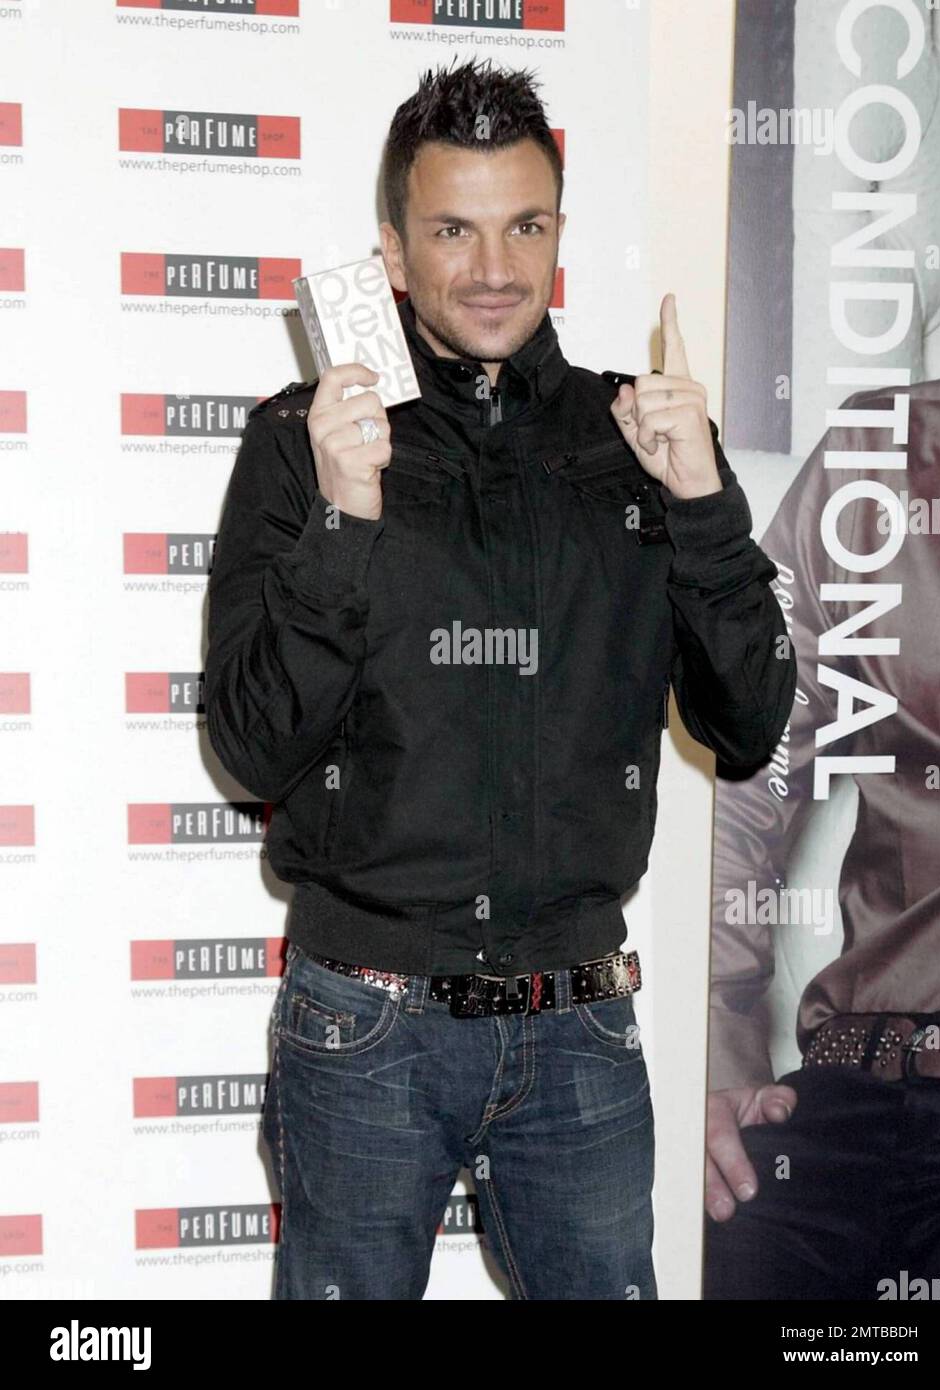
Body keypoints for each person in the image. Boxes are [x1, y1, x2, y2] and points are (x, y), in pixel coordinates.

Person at [204, 56, 796, 1301]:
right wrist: (344, 518)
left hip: (577, 1024)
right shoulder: (301, 438)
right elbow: (251, 746)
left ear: (558, 233)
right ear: (393, 247)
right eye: (452, 231)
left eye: (523, 226)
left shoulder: (635, 438)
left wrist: (696, 501)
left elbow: (745, 727)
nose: (490, 269)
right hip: (360, 1027)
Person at [703, 376, 940, 1300]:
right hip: (875, 1093)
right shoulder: (880, 461)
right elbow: (751, 770)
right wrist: (721, 1053)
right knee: (733, 1230)